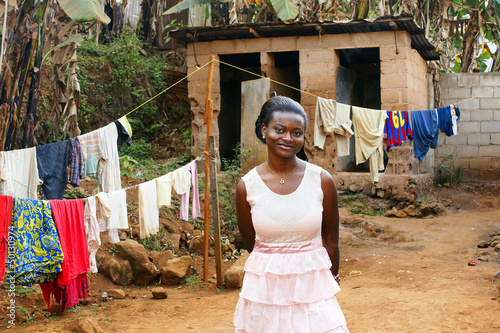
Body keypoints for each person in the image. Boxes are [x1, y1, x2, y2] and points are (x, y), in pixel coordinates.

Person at [233, 95, 349, 333]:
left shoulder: (322, 180)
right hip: (266, 293)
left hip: (313, 292)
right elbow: (251, 244)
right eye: (279, 129)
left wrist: (329, 281)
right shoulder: (247, 186)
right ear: (264, 130)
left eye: (296, 133)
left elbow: (331, 241)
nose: (288, 138)